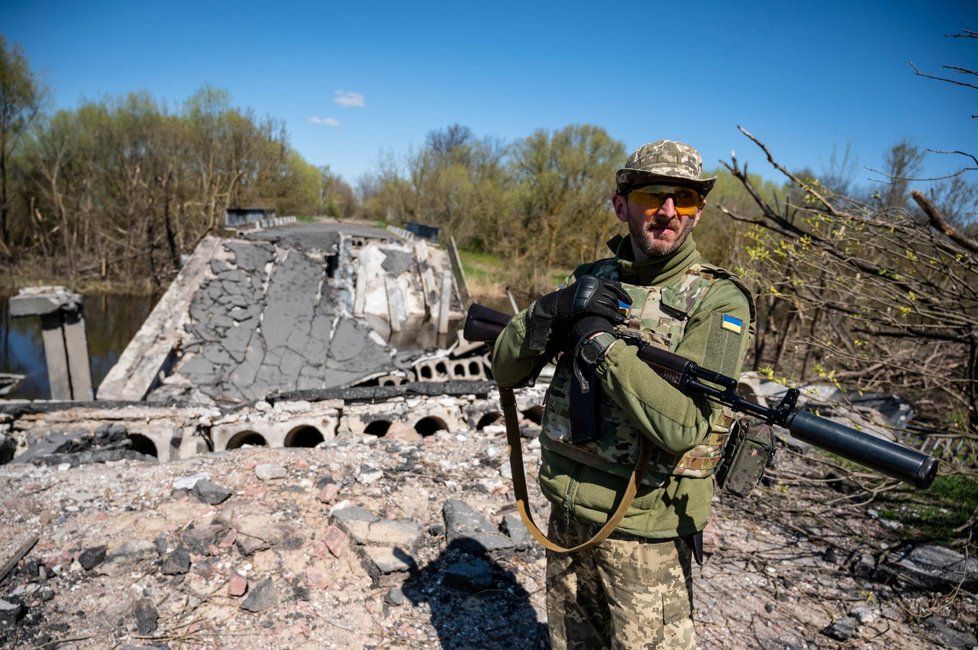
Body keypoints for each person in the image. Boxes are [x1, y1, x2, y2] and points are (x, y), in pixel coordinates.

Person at [491, 140, 754, 649]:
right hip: (566, 518)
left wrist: (599, 345)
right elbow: (503, 366)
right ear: (621, 205)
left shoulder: (719, 300)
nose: (669, 211)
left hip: (644, 535)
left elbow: (685, 426)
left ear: (698, 212)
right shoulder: (589, 278)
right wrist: (552, 309)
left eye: (686, 199)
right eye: (653, 195)